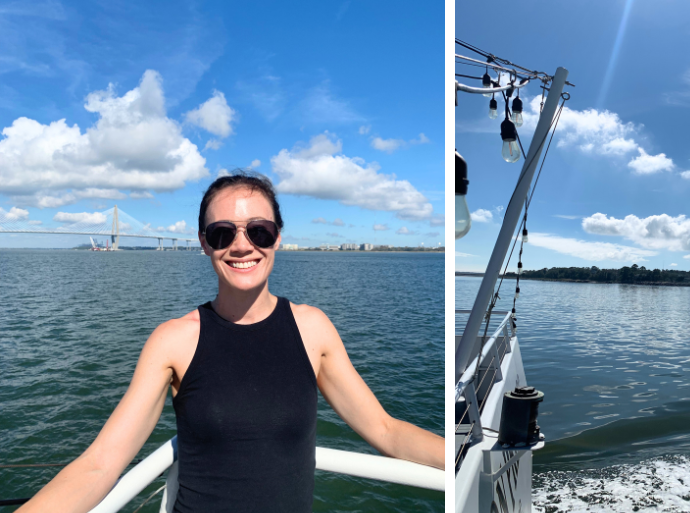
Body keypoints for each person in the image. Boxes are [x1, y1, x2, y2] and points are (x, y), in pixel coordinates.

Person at [20, 172, 444, 513]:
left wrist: (469, 455)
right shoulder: (173, 341)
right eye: (223, 233)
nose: (242, 245)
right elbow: (99, 464)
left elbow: (386, 431)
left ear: (277, 236)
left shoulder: (313, 329)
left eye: (258, 231)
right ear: (204, 243)